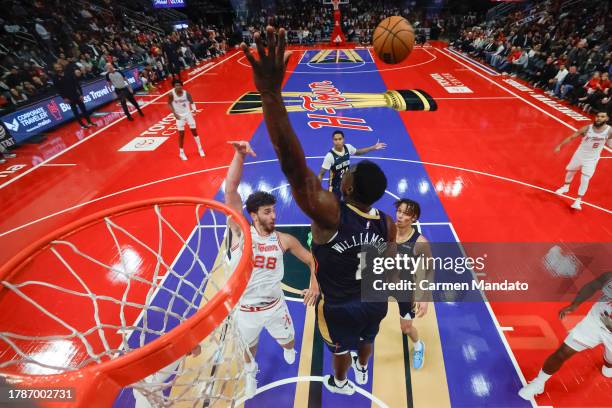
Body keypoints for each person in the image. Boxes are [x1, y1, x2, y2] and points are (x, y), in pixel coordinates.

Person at [241, 26, 396, 395]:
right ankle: (362, 365)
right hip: (374, 304)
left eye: (349, 174)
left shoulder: (331, 214)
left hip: (339, 306)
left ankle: (341, 381)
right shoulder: (387, 222)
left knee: (338, 347)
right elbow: (386, 267)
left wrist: (270, 92)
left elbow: (294, 167)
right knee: (367, 339)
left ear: (347, 187)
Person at [224, 140, 319, 399]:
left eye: (274, 211)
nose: (274, 216)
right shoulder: (240, 233)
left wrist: (314, 283)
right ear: (253, 215)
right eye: (267, 212)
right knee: (249, 349)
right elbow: (231, 190)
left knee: (289, 341)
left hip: (276, 306)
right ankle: (250, 374)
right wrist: (239, 156)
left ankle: (289, 349)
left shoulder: (283, 240)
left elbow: (313, 260)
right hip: (245, 309)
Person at [518, 272, 611, 400]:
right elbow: (592, 286)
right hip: (595, 322)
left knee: (609, 363)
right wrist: (575, 304)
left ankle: (609, 362)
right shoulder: (610, 276)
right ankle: (539, 383)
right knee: (563, 352)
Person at [394, 198, 432, 370]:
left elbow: (429, 269)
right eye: (399, 211)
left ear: (414, 218)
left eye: (405, 213)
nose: (400, 216)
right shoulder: (386, 230)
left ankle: (418, 346)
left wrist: (424, 297)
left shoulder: (420, 242)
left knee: (406, 328)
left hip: (405, 289)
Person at [554, 111, 611, 210]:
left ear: (607, 119)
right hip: (580, 155)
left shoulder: (609, 131)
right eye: (597, 116)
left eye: (602, 117)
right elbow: (572, 137)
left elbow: (610, 142)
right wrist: (560, 146)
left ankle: (578, 200)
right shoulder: (587, 128)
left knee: (585, 178)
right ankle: (566, 186)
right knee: (570, 172)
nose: (599, 118)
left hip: (592, 158)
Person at [317, 131, 386, 198]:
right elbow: (321, 174)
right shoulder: (330, 156)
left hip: (346, 182)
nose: (338, 142)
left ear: (343, 139)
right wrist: (317, 190)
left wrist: (373, 147)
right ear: (333, 141)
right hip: (335, 187)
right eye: (335, 139)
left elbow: (358, 152)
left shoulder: (348, 148)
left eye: (340, 139)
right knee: (333, 207)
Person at [168, 80, 204, 160]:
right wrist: (175, 114)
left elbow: (191, 102)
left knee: (194, 132)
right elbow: (169, 103)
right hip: (179, 116)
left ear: (182, 86)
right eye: (176, 85)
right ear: (174, 87)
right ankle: (181, 152)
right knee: (181, 134)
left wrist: (194, 109)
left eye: (179, 85)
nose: (178, 87)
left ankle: (200, 148)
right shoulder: (171, 94)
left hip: (188, 114)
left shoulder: (186, 93)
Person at [52, 63, 96, 129]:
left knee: (83, 109)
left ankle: (89, 122)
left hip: (76, 94)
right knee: (75, 111)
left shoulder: (68, 73)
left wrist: (81, 94)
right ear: (55, 69)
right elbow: (58, 90)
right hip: (68, 97)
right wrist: (64, 98)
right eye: (56, 67)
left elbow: (76, 84)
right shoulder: (55, 78)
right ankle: (82, 125)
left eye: (59, 66)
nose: (58, 68)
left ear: (61, 66)